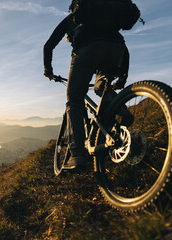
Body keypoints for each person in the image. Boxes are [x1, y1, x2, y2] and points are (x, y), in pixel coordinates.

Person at [43, 1, 130, 170]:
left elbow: (49, 45)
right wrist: (123, 77)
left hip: (88, 52)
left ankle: (78, 156)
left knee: (74, 99)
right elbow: (122, 47)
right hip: (117, 50)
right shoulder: (109, 17)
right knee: (101, 88)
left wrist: (49, 70)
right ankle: (121, 111)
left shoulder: (72, 19)